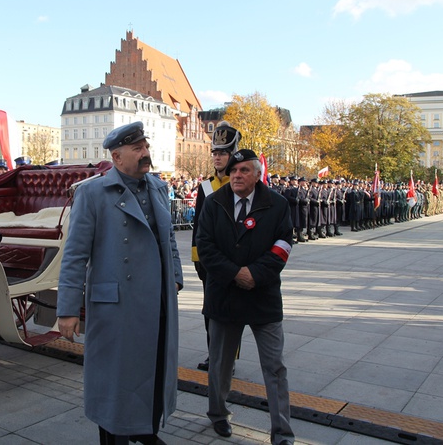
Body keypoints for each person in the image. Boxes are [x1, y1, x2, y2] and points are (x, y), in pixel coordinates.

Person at [57, 121, 183, 444]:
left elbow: (167, 237)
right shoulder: (92, 193)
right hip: (116, 308)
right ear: (116, 157)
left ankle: (144, 429)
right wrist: (68, 309)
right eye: (137, 149)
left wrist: (176, 277)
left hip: (157, 303)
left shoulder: (159, 187)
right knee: (114, 385)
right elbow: (74, 255)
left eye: (146, 147)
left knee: (151, 374)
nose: (146, 154)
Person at [196, 149, 294, 444]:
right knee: (220, 364)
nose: (236, 176)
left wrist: (256, 274)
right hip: (224, 296)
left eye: (243, 171)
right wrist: (236, 273)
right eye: (233, 171)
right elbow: (205, 246)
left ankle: (283, 432)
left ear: (257, 174)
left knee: (275, 367)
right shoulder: (214, 203)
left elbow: (284, 243)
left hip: (262, 296)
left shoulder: (277, 204)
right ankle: (218, 415)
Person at [191, 120, 241, 371]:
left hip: (233, 260)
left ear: (233, 155)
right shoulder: (207, 186)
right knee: (210, 311)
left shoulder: (239, 184)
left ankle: (228, 358)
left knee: (231, 312)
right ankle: (214, 354)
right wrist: (197, 258)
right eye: (215, 152)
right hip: (210, 260)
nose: (217, 157)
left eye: (222, 153)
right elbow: (198, 225)